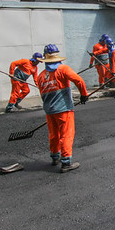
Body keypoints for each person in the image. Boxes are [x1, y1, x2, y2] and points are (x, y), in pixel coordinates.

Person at [35, 44, 88, 173]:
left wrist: (50, 107)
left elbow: (42, 94)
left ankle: (55, 157)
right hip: (64, 110)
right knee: (66, 135)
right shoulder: (63, 69)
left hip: (49, 110)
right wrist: (83, 95)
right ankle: (66, 163)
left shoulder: (41, 76)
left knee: (54, 135)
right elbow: (79, 81)